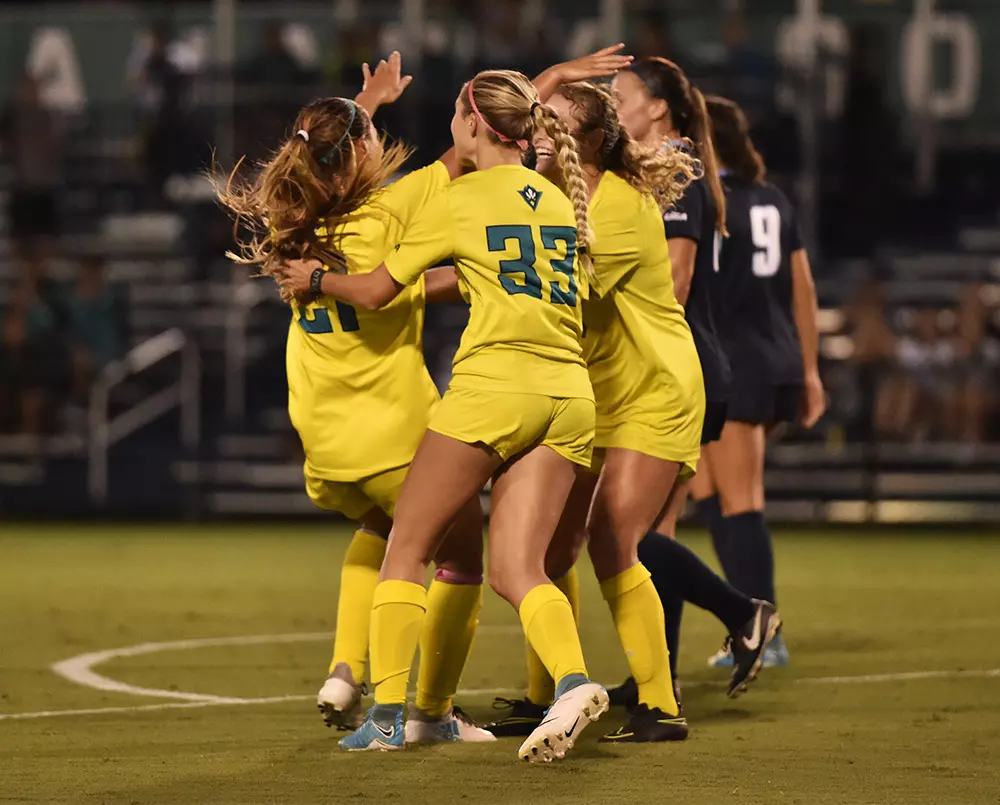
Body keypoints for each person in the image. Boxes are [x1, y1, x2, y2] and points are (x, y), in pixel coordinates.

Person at [278, 68, 606, 763]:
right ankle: (574, 681)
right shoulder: (554, 198)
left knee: (406, 548)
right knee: (518, 569)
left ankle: (392, 717)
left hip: (495, 391)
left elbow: (373, 289)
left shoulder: (458, 201)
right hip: (571, 393)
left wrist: (313, 279)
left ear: (472, 123)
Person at [216, 53, 492, 747]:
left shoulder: (288, 220)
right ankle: (431, 711)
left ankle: (345, 666)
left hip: (326, 440)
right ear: (357, 159)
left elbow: (329, 144)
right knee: (461, 557)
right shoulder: (387, 214)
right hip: (394, 430)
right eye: (367, 141)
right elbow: (467, 155)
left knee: (377, 531)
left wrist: (366, 102)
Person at [610, 58, 781, 694]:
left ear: (657, 108)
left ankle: (743, 613)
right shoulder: (651, 171)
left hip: (674, 366)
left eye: (620, 94)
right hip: (670, 364)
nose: (612, 103)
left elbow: (676, 281)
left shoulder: (675, 168)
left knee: (622, 534)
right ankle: (656, 677)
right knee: (652, 534)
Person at [695, 96, 825, 667]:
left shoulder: (711, 200)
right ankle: (747, 622)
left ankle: (763, 632)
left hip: (734, 360)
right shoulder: (772, 198)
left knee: (740, 497)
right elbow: (804, 289)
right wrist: (811, 371)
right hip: (768, 358)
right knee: (707, 492)